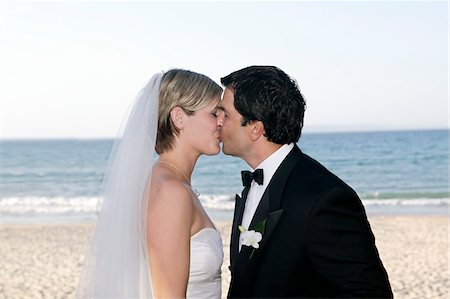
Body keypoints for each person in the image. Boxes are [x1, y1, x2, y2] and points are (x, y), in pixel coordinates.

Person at [217, 65, 393, 298]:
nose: (217, 121)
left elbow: (369, 293)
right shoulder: (256, 183)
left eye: (225, 114)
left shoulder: (324, 198)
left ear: (255, 129)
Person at [77, 69, 223, 298]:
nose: (221, 122)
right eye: (214, 114)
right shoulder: (171, 192)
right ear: (179, 118)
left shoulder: (167, 182)